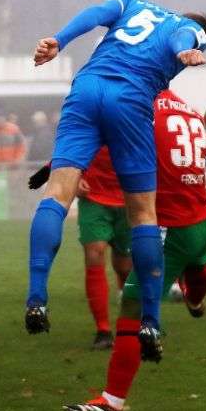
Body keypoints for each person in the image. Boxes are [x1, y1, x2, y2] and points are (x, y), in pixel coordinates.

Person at [26, 0, 206, 364]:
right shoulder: (190, 30)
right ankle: (151, 323)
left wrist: (58, 41)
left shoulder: (132, 3)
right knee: (144, 214)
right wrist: (185, 52)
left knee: (57, 194)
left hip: (86, 88)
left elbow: (95, 14)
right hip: (129, 98)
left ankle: (36, 297)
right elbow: (185, 38)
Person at [63, 89, 206, 411]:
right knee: (197, 265)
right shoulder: (186, 107)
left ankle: (112, 402)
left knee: (133, 308)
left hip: (171, 228)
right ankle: (194, 297)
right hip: (204, 220)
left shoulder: (139, 111)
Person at [77, 147, 133, 349]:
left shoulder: (139, 117)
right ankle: (103, 330)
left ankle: (130, 324)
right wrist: (74, 175)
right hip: (93, 198)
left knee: (125, 267)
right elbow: (69, 145)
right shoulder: (85, 117)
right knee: (94, 253)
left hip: (128, 197)